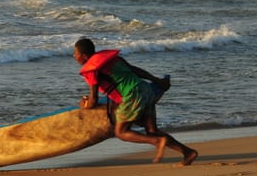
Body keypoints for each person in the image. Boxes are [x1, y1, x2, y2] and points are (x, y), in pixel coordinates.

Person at [72, 37, 198, 166]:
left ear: (85, 56)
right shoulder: (113, 59)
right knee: (152, 131)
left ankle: (157, 141)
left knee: (121, 132)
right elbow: (136, 71)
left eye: (75, 53)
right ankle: (188, 153)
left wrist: (83, 105)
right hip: (145, 89)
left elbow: (94, 100)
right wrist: (157, 81)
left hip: (132, 95)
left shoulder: (91, 70)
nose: (74, 56)